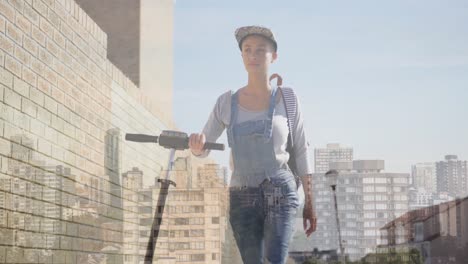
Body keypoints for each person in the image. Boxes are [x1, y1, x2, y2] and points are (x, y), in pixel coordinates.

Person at [189, 25, 316, 264]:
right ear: (241, 56)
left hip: (279, 190)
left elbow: (301, 149)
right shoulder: (225, 102)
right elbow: (204, 146)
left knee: (275, 260)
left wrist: (310, 203)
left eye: (260, 50)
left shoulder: (287, 99)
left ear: (273, 56)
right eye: (247, 50)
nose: (253, 55)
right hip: (241, 195)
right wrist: (197, 147)